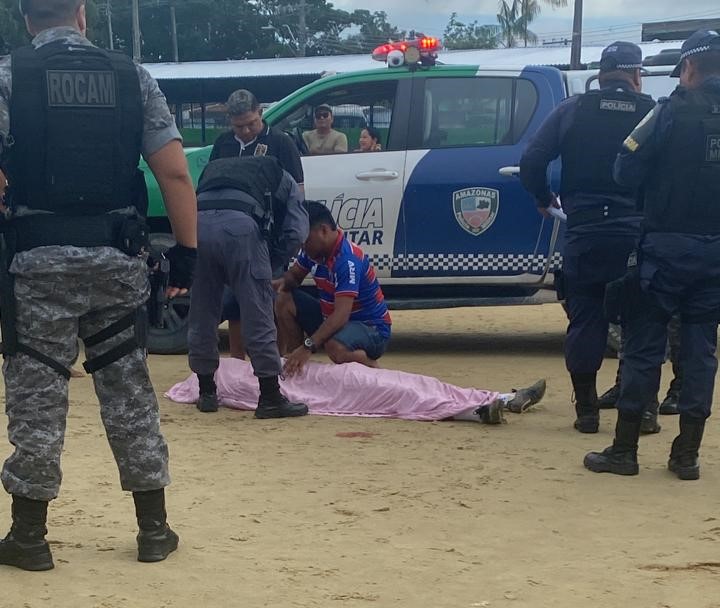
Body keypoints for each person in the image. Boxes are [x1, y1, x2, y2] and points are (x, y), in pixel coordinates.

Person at [0, 0, 197, 571]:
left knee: (37, 395)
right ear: (82, 14)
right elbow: (175, 171)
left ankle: (30, 536)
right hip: (117, 260)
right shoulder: (131, 76)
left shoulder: (9, 76)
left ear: (26, 18)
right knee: (128, 389)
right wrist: (187, 254)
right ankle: (154, 529)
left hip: (36, 264)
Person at [585, 30, 720, 480]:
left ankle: (624, 451)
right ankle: (686, 456)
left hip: (664, 248)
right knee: (701, 351)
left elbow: (625, 170)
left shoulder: (667, 113)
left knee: (645, 347)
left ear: (689, 68)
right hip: (715, 253)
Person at [519, 41, 656, 434]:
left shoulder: (572, 109)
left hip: (586, 230)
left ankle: (588, 412)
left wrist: (544, 198)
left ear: (602, 73)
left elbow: (532, 160)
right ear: (636, 75)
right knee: (642, 321)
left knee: (585, 317)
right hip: (636, 232)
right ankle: (642, 412)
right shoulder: (654, 113)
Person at [188, 156, 309, 418]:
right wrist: (273, 260)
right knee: (258, 313)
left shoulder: (215, 168)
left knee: (202, 311)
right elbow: (298, 232)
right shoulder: (283, 177)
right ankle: (269, 397)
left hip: (197, 226)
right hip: (241, 231)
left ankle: (207, 392)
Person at [209, 89, 305, 360]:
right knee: (234, 302)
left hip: (268, 237)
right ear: (230, 122)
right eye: (239, 126)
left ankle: (276, 360)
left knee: (268, 299)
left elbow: (297, 193)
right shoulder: (223, 144)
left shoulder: (280, 143)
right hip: (229, 235)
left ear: (261, 112)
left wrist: (290, 237)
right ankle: (238, 360)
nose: (247, 131)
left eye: (252, 123)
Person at [166, 358, 547, 424]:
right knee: (401, 395)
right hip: (337, 386)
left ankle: (499, 397)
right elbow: (240, 394)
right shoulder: (233, 381)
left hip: (330, 375)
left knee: (411, 383)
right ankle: (478, 409)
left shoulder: (241, 371)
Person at [275, 202, 391, 377]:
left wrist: (308, 346)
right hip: (332, 320)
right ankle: (295, 365)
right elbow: (293, 277)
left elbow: (341, 316)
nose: (302, 247)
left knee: (335, 347)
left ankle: (376, 372)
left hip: (371, 329)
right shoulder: (312, 252)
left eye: (305, 240)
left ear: (323, 231)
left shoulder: (347, 260)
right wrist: (271, 284)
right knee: (284, 300)